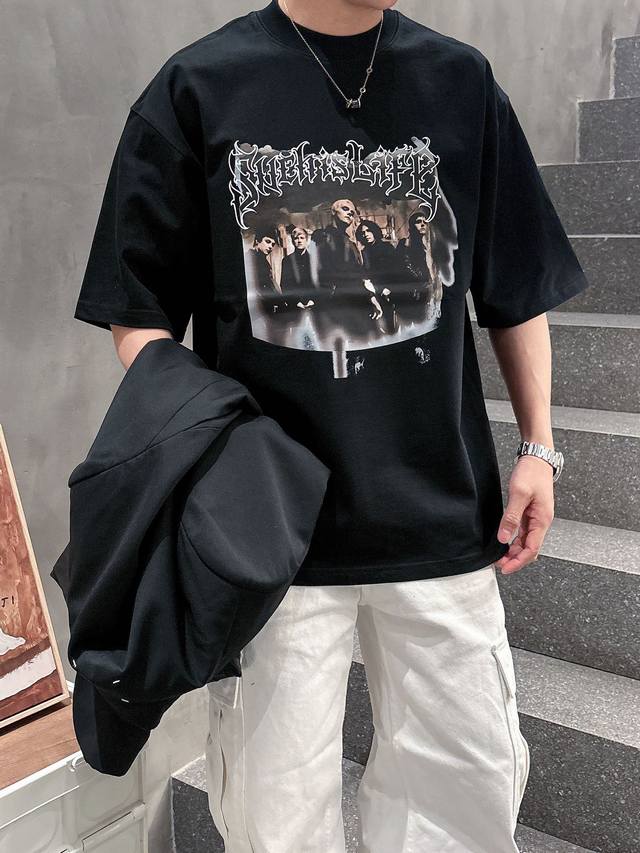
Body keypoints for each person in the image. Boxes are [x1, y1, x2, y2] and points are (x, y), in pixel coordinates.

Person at [71, 1, 590, 850]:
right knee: (276, 821)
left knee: (468, 802)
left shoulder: (461, 82)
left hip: (442, 518)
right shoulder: (198, 86)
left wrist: (539, 445)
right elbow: (138, 312)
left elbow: (516, 281)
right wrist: (220, 450)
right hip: (272, 541)